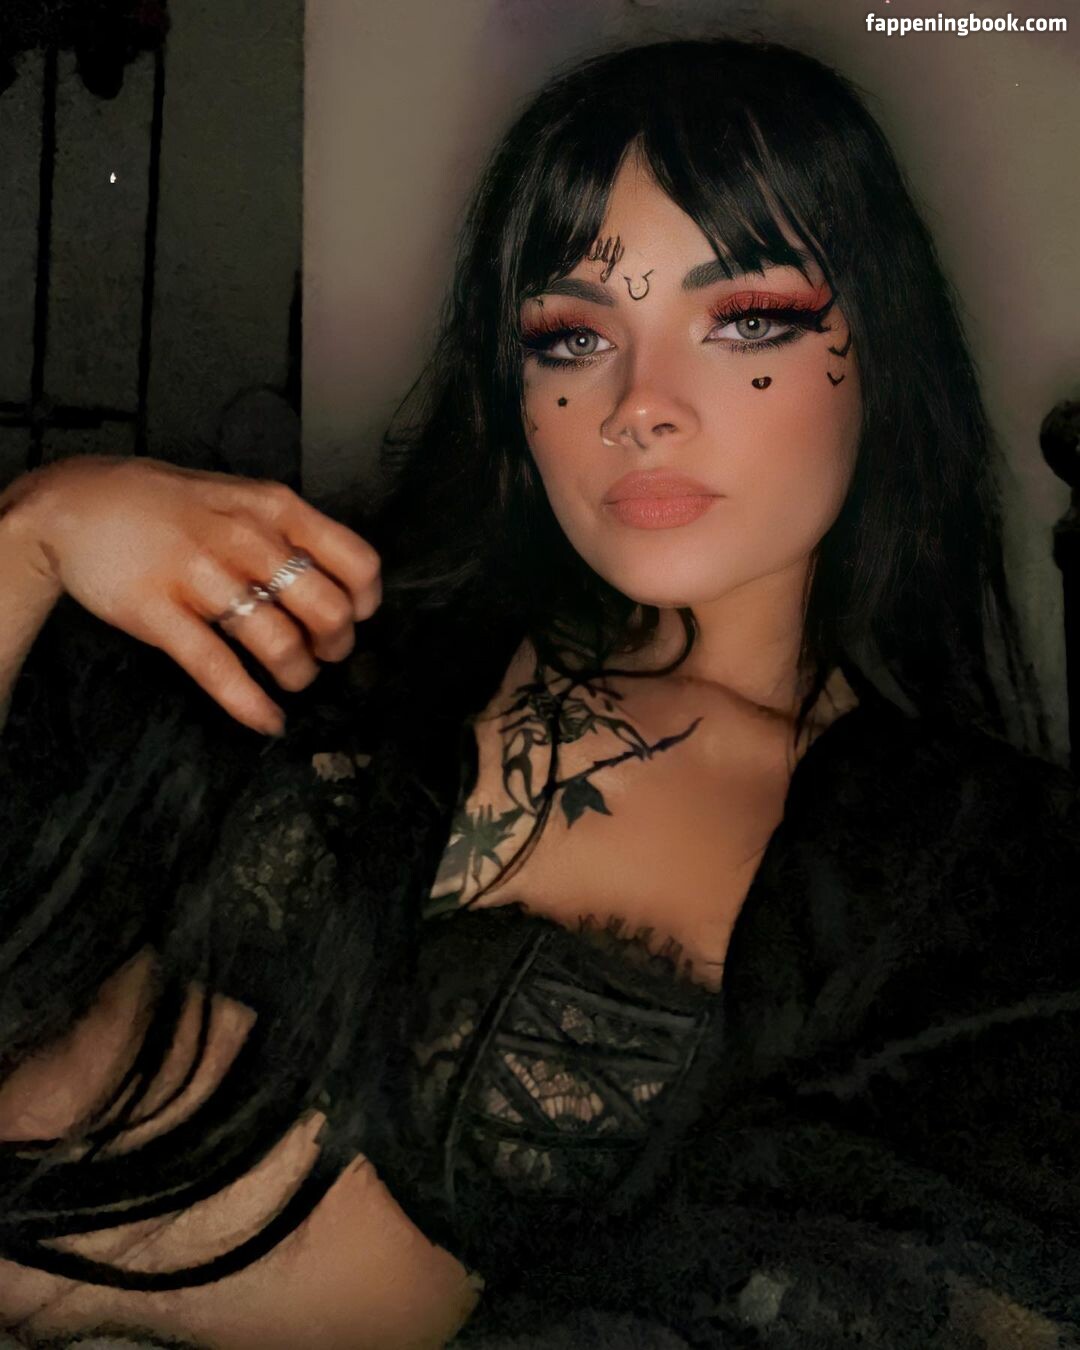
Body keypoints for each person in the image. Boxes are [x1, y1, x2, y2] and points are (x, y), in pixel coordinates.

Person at [1, 35, 1078, 1350]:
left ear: (884, 346)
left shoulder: (964, 870)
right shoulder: (345, 622)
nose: (639, 406)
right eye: (574, 335)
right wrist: (30, 538)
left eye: (746, 319)